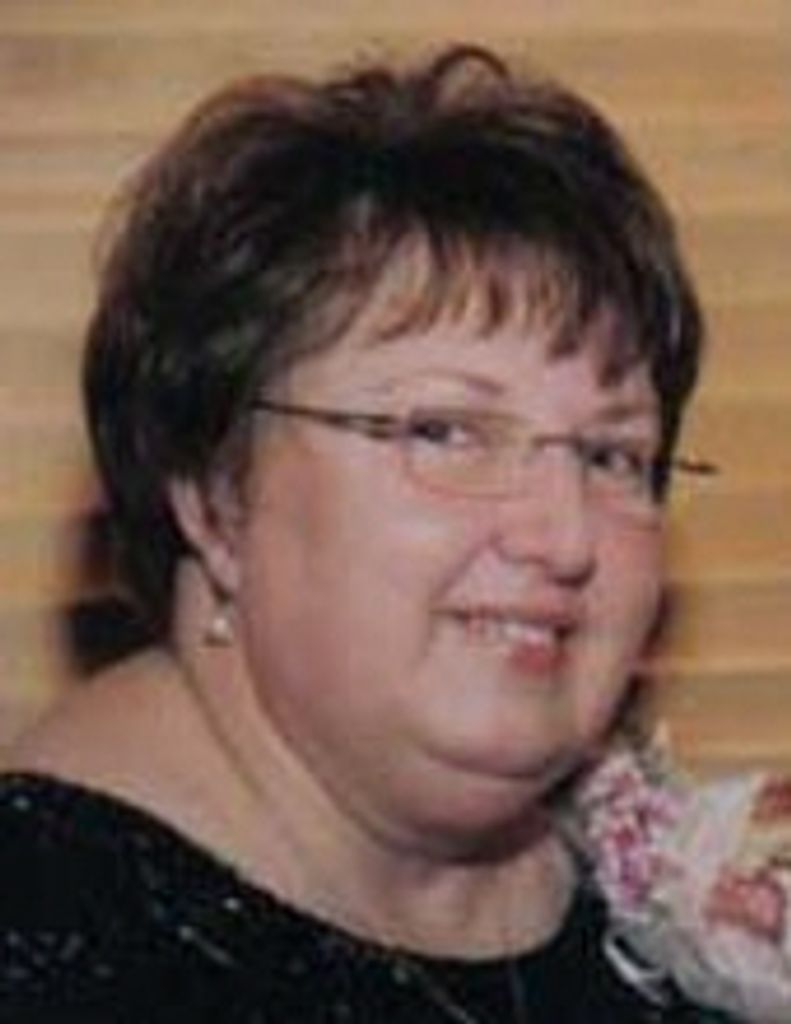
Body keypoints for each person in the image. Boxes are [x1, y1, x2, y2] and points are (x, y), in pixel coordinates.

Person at [0, 44, 734, 1022]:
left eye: (610, 455)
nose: (564, 539)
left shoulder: (674, 888)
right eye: (445, 431)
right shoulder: (47, 939)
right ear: (216, 492)